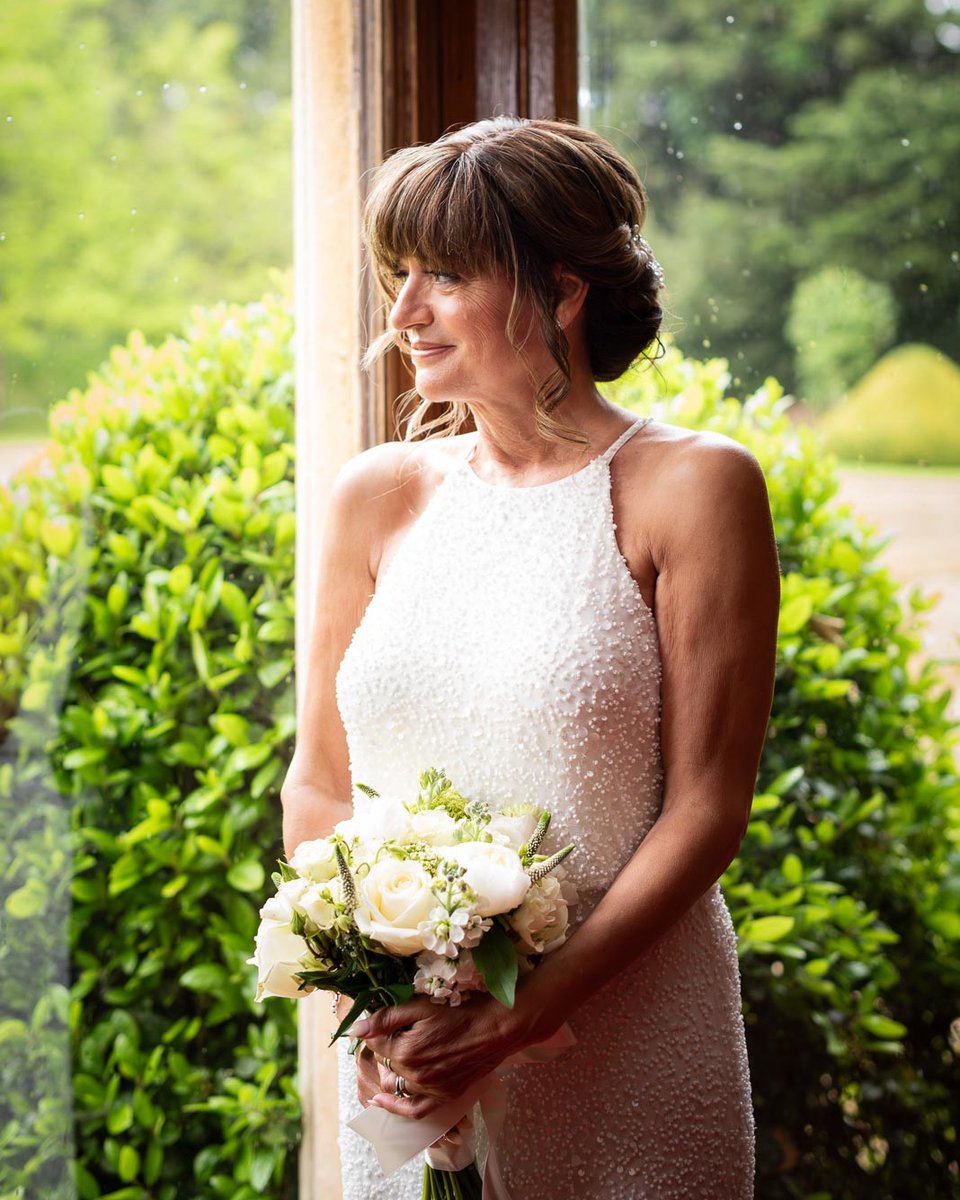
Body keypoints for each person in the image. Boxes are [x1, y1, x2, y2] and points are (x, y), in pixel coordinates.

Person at [280, 114, 780, 1199]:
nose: (405, 313)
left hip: (630, 1032)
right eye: (399, 275)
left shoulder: (697, 487)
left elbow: (707, 807)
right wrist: (373, 997)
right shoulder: (375, 496)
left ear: (561, 290)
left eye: (446, 277)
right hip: (413, 1056)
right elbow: (318, 781)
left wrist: (524, 1012)